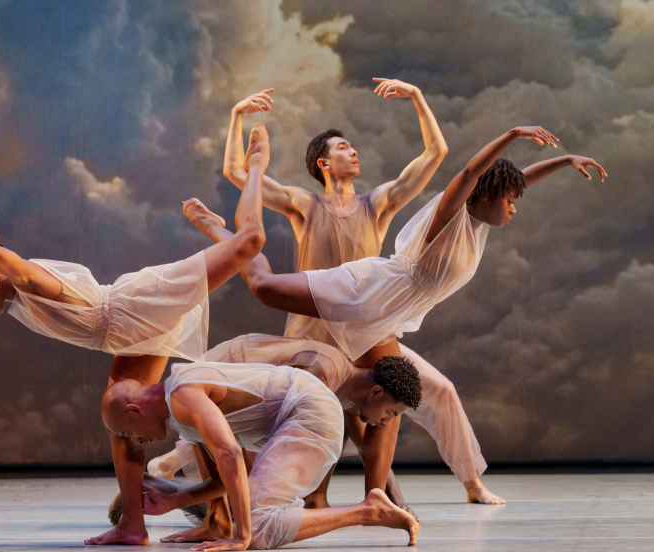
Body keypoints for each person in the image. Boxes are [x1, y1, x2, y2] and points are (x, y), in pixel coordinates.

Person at [191, 124, 607, 506]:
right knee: (264, 287)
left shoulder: (478, 223)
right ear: (484, 194)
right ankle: (219, 230)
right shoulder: (450, 215)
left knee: (401, 394)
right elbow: (468, 173)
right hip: (370, 291)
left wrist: (564, 162)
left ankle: (383, 494)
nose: (514, 207)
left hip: (387, 316)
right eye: (510, 200)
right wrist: (512, 134)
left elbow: (513, 179)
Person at [0, 124, 274, 546]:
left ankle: (255, 167)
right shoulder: (11, 295)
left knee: (251, 240)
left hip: (138, 305)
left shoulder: (32, 282)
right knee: (121, 422)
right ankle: (134, 526)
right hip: (126, 336)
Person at [222, 80, 503, 506]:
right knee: (320, 408)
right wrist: (237, 116)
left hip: (369, 331)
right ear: (324, 163)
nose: (353, 152)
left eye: (353, 147)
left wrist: (418, 97)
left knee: (439, 390)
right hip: (315, 331)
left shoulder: (378, 204)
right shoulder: (304, 204)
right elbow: (239, 174)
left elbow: (434, 156)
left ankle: (470, 482)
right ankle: (331, 494)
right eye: (343, 148)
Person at [102, 359, 421, 550]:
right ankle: (368, 509)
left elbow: (230, 454)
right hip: (301, 412)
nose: (137, 441)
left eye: (130, 433)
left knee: (255, 528)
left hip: (310, 410)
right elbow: (225, 479)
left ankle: (368, 510)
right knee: (252, 519)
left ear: (134, 410)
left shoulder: (181, 393)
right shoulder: (180, 415)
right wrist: (174, 500)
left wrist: (241, 536)